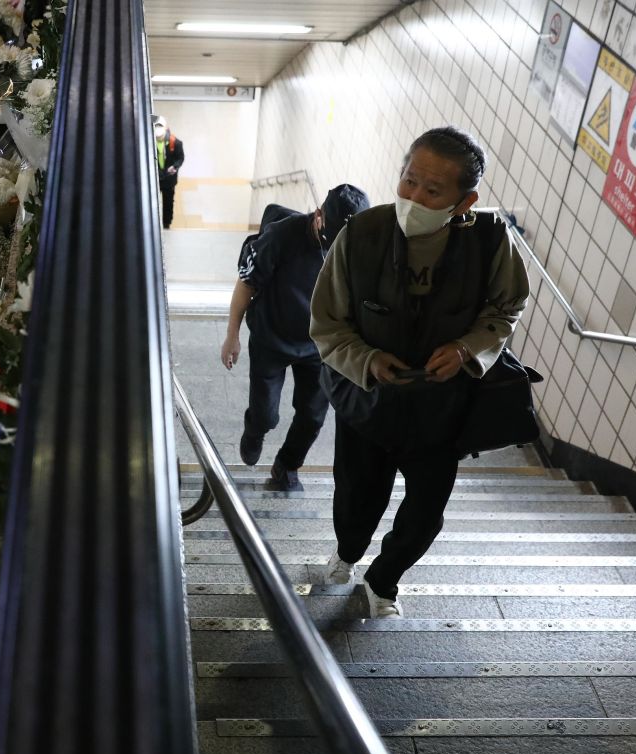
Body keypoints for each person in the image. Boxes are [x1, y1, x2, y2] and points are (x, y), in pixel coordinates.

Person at [308, 126, 529, 618]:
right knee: (354, 499)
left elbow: (506, 306)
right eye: (409, 181)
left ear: (465, 200)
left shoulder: (491, 241)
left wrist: (468, 348)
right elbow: (326, 323)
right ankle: (347, 553)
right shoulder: (360, 235)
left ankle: (383, 581)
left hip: (441, 408)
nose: (414, 196)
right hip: (368, 402)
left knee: (426, 512)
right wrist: (365, 360)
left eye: (433, 190)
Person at [222, 186, 372, 491]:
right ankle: (255, 430)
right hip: (271, 340)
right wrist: (232, 335)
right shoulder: (280, 237)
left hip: (319, 346)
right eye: (330, 241)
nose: (334, 250)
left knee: (313, 416)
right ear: (319, 216)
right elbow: (246, 284)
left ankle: (286, 466)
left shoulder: (357, 245)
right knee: (266, 415)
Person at [153, 116, 184, 228]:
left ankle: (167, 223)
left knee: (168, 202)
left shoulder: (175, 143)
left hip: (169, 179)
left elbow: (180, 158)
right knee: (153, 202)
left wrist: (174, 167)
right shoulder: (149, 143)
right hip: (154, 179)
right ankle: (153, 224)